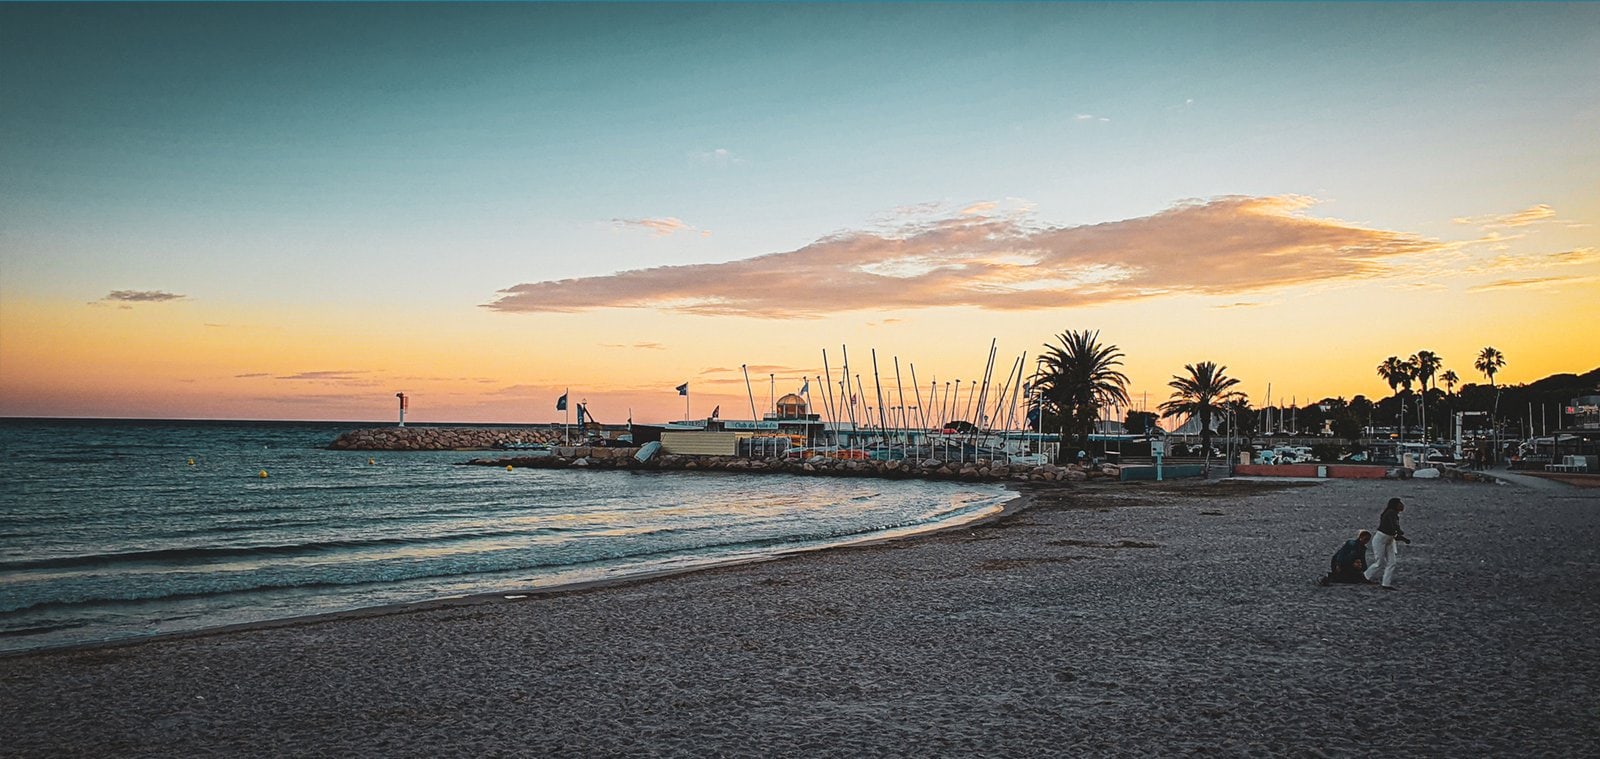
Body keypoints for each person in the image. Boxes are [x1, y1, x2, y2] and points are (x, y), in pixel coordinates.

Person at [1364, 497, 1411, 589]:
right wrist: (1402, 536)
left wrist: (1401, 536)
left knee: (1392, 562)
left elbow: (1394, 530)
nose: (1402, 505)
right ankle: (1365, 576)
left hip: (1389, 540)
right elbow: (1392, 528)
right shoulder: (1390, 514)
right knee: (1380, 562)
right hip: (1381, 539)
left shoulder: (1393, 514)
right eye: (1399, 503)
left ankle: (1386, 584)